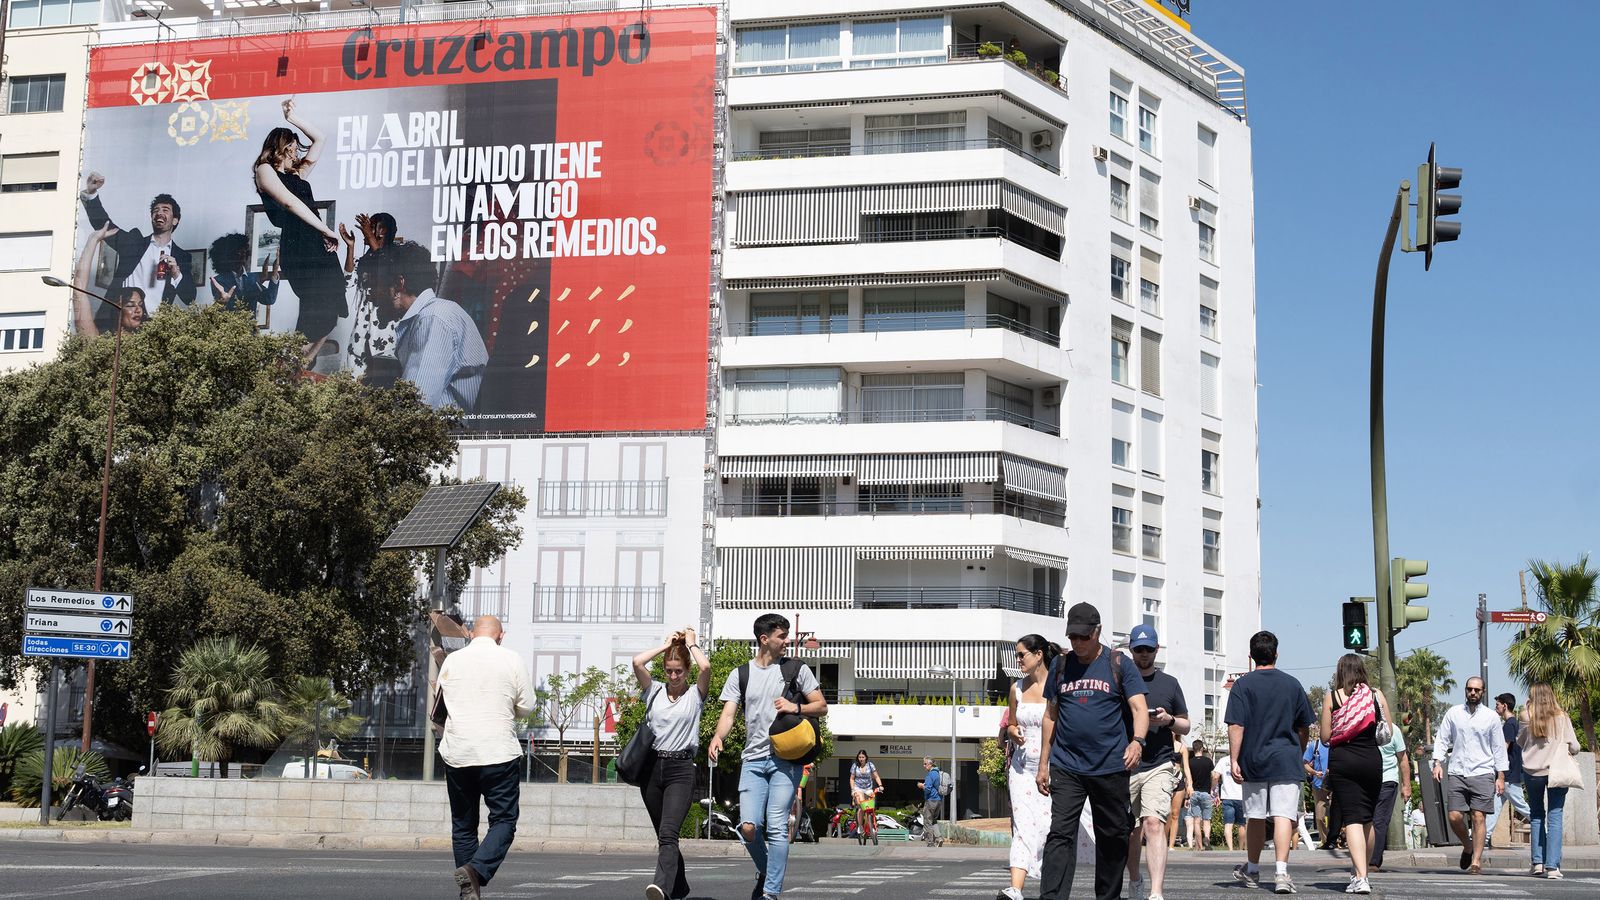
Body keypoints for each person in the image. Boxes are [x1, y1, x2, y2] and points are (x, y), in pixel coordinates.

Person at [708, 613, 828, 900]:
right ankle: (767, 871)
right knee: (748, 827)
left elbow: (821, 706)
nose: (787, 641)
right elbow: (728, 713)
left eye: (787, 635)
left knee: (776, 825)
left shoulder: (797, 669)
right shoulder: (741, 674)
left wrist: (794, 707)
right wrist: (717, 736)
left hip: (786, 760)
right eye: (781, 636)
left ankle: (770, 893)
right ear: (764, 639)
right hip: (753, 759)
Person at [1036, 603, 1149, 900]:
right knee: (1060, 834)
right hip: (1067, 765)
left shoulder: (1119, 663)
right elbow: (1050, 716)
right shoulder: (1060, 666)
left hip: (1111, 765)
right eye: (1073, 637)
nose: (1077, 643)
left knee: (1112, 837)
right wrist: (1043, 763)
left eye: (1084, 637)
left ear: (1098, 632)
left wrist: (1137, 741)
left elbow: (1139, 708)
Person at [436, 615, 534, 900]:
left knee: (463, 824)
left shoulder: (453, 661)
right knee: (504, 820)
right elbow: (527, 706)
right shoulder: (511, 659)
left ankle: (470, 889)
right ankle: (476, 872)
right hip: (498, 751)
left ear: (470, 634)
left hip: (458, 752)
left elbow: (442, 699)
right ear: (501, 635)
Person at [253, 98, 346, 354]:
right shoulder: (265, 171)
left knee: (332, 307)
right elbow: (291, 204)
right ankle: (291, 364)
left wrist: (292, 119)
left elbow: (321, 138)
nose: (296, 153)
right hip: (298, 245)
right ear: (279, 148)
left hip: (315, 243)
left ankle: (302, 364)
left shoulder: (297, 174)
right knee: (315, 306)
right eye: (291, 148)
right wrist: (326, 230)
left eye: (296, 148)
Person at [1226, 630, 1315, 895]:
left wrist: (1234, 759)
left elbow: (1236, 726)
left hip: (1253, 759)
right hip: (1286, 758)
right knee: (1284, 816)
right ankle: (1281, 873)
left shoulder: (1243, 685)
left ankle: (1252, 871)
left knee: (1254, 816)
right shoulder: (1292, 684)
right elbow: (1303, 727)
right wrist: (1296, 753)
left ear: (1251, 657)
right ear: (1276, 654)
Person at [357, 240, 488, 411]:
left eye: (373, 286)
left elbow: (414, 409)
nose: (370, 296)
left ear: (398, 284)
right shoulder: (430, 315)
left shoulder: (432, 319)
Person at [631, 628, 711, 900]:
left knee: (668, 833)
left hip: (681, 769)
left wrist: (692, 644)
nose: (674, 676)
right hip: (651, 769)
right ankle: (679, 888)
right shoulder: (653, 690)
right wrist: (665, 646)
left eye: (679, 671)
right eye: (669, 671)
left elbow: (706, 666)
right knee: (665, 837)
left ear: (687, 671)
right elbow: (637, 663)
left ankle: (661, 888)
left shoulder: (695, 696)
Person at [1122, 624, 1187, 900]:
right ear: (1131, 650)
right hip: (1125, 765)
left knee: (1153, 824)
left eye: (1149, 649)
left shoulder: (1169, 683)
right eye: (1139, 649)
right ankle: (1135, 880)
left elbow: (1185, 725)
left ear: (1157, 650)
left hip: (1159, 764)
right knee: (1130, 830)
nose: (1144, 654)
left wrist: (1168, 720)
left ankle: (1156, 892)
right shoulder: (1121, 680)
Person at [78, 171, 196, 315]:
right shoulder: (133, 242)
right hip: (120, 323)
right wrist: (91, 194)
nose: (159, 213)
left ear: (175, 220)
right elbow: (104, 226)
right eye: (155, 210)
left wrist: (176, 273)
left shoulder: (182, 257)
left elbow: (189, 298)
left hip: (153, 329)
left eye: (165, 210)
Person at [1320, 653, 1389, 894]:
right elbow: (1387, 732)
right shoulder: (1375, 695)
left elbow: (1326, 737)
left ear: (1340, 672)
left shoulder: (1332, 697)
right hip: (1371, 760)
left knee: (1352, 818)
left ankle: (1360, 878)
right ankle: (1363, 872)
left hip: (1343, 761)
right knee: (1368, 819)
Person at [998, 633, 1056, 900]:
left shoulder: (1057, 687)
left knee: (1046, 827)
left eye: (1022, 654)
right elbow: (1009, 722)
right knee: (1022, 826)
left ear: (1039, 654)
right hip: (1020, 768)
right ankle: (1016, 890)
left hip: (1051, 768)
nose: (1017, 659)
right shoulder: (1016, 688)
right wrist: (1011, 731)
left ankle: (1050, 884)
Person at [1431, 676, 1507, 875]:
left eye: (1477, 690)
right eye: (1469, 689)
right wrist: (1437, 762)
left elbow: (1499, 748)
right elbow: (1442, 739)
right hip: (1457, 771)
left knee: (1478, 817)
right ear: (1465, 691)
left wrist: (1500, 776)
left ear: (1483, 692)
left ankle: (1476, 861)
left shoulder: (1491, 717)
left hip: (1482, 772)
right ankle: (1467, 845)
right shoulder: (1453, 713)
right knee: (1454, 816)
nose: (1473, 693)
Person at [1517, 683, 1580, 879]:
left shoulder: (1526, 716)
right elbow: (1575, 746)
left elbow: (1520, 742)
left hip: (1532, 771)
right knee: (1555, 816)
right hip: (1556, 770)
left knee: (1536, 815)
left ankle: (1537, 863)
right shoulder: (1562, 716)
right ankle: (1553, 867)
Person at [345, 212, 402, 377]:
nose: (365, 230)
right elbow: (348, 281)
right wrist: (350, 246)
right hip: (362, 327)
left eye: (371, 227)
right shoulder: (366, 259)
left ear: (382, 230)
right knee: (354, 379)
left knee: (382, 381)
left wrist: (370, 236)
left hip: (386, 328)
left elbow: (387, 269)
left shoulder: (397, 255)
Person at [71, 223, 146, 337]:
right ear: (117, 311)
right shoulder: (100, 342)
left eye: (140, 304)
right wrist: (93, 240)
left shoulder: (149, 342)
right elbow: (79, 291)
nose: (138, 310)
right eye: (130, 305)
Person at [1483, 692, 1530, 849]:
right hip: (1506, 776)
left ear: (1505, 705)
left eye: (1497, 704)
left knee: (1522, 806)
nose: (1496, 707)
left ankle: (1543, 828)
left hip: (1508, 776)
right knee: (1494, 809)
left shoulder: (1509, 724)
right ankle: (1484, 838)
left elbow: (1503, 749)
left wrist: (1497, 769)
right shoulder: (1512, 723)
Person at [1368, 715, 1411, 872]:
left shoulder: (1394, 730)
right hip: (1366, 781)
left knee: (1379, 821)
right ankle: (1363, 856)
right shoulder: (1363, 728)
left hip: (1388, 780)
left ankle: (1373, 861)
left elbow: (1403, 759)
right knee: (1365, 820)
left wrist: (1406, 786)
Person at [208, 233, 280, 318]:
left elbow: (269, 299)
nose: (243, 255)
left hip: (251, 330)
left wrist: (275, 271)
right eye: (238, 253)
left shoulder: (253, 278)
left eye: (245, 252)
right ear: (227, 256)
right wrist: (222, 302)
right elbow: (218, 312)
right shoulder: (218, 280)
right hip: (229, 329)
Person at [1302, 730, 1331, 848]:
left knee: (1335, 815)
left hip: (1335, 786)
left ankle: (1335, 840)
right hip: (1319, 786)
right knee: (1319, 817)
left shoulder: (1337, 744)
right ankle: (1325, 840)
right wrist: (1314, 772)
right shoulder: (1315, 745)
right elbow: (1305, 763)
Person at [1187, 740, 1217, 851]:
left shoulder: (1190, 762)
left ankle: (1198, 845)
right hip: (1206, 793)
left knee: (1196, 820)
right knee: (1206, 820)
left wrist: (1187, 796)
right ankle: (1207, 839)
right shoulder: (1208, 761)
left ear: (1193, 749)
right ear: (1202, 748)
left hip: (1194, 793)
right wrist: (1213, 789)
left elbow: (1188, 780)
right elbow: (1214, 776)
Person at [849, 750, 884, 841]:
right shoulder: (855, 766)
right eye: (859, 757)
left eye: (863, 757)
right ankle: (860, 826)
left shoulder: (870, 765)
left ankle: (871, 823)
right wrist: (853, 790)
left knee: (870, 807)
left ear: (866, 758)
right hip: (858, 788)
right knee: (861, 806)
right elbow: (852, 779)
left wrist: (880, 786)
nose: (861, 759)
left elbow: (876, 776)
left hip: (868, 788)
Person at [1166, 737, 1189, 850]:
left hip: (1178, 780)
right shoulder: (1162, 745)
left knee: (1175, 814)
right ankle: (1162, 842)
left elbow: (1187, 767)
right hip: (1165, 779)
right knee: (1166, 813)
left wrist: (1190, 784)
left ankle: (1171, 845)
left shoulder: (1181, 747)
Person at [1218, 755, 1245, 851]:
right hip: (1241, 796)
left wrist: (1214, 789)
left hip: (1227, 796)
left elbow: (1215, 775)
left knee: (1228, 824)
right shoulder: (1243, 759)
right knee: (1242, 824)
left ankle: (1230, 849)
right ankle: (1241, 848)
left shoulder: (1223, 760)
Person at [921, 757, 945, 847]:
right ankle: (939, 838)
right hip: (939, 800)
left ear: (930, 764)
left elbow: (927, 789)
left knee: (927, 821)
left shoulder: (930, 775)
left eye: (925, 764)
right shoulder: (939, 773)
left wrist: (921, 786)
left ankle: (930, 842)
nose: (924, 766)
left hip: (931, 800)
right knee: (934, 820)